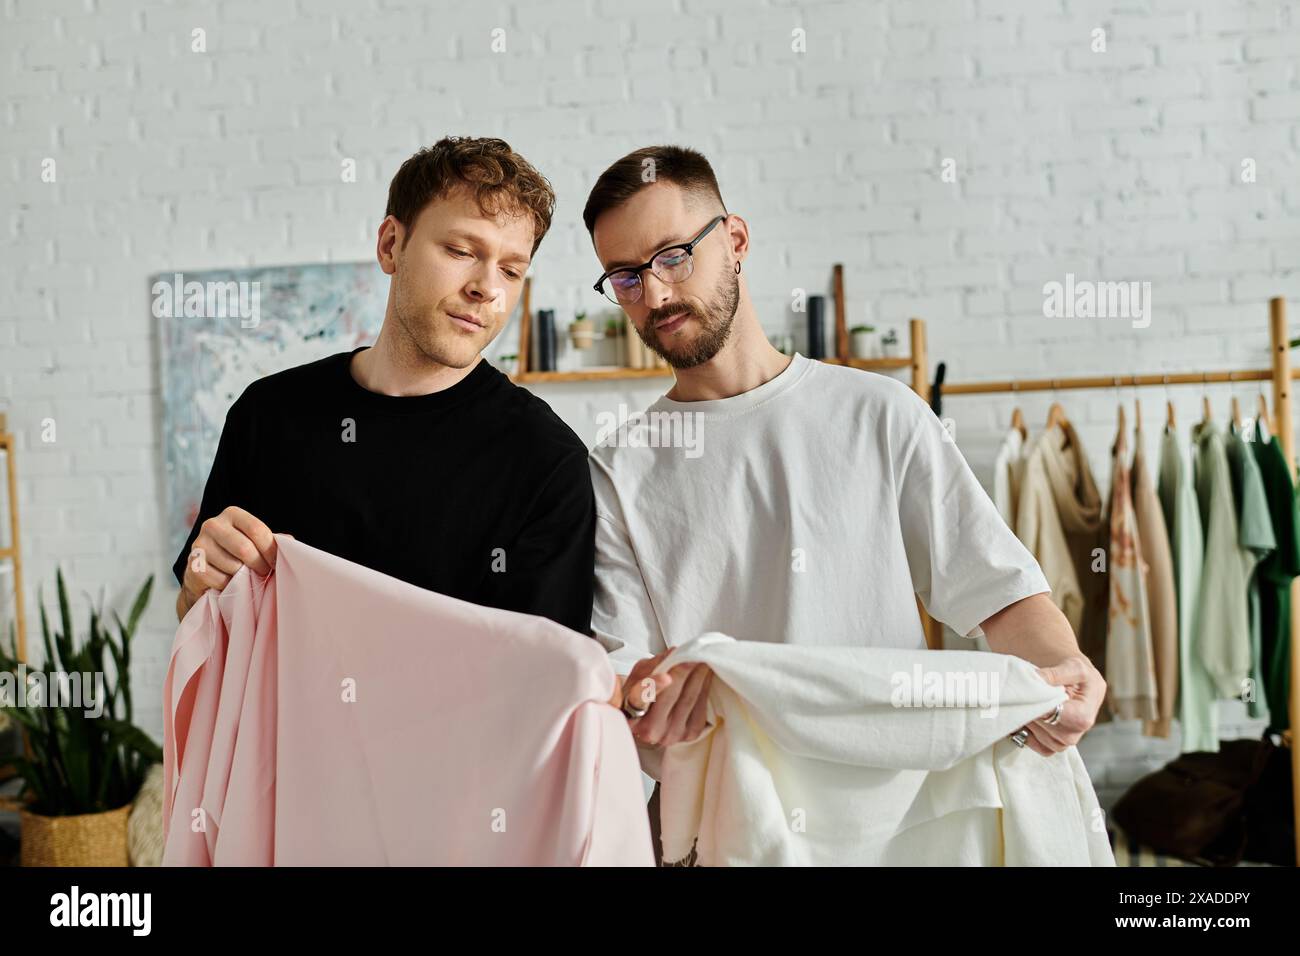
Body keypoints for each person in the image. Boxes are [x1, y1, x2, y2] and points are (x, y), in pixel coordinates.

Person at [580, 145, 1106, 855]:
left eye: (673, 256)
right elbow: (624, 672)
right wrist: (642, 702)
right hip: (738, 830)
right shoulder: (616, 468)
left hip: (908, 823)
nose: (655, 294)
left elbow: (999, 594)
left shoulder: (879, 414)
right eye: (625, 276)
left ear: (734, 241)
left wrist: (1064, 672)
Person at [174, 136, 596, 649]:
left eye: (511, 269)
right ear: (391, 245)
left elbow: (546, 684)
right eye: (462, 251)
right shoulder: (268, 416)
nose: (488, 287)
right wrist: (200, 581)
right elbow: (199, 620)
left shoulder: (549, 463)